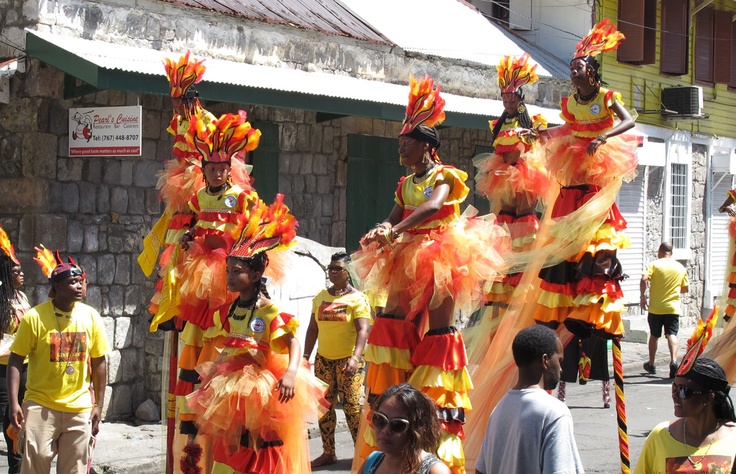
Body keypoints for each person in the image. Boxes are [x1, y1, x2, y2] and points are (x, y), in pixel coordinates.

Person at [352, 75, 506, 472]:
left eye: (407, 144)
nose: (401, 149)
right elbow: (395, 215)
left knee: (439, 333)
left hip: (441, 256)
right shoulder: (405, 184)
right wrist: (380, 231)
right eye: (400, 144)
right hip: (405, 256)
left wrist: (395, 230)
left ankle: (434, 405)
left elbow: (435, 207)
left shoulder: (444, 176)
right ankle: (394, 394)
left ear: (427, 146)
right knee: (391, 322)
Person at [186, 195, 328, 473]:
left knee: (259, 444)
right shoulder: (228, 311)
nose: (228, 277)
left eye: (236, 271)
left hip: (260, 388)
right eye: (227, 270)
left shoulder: (268, 310)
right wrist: (210, 377)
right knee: (232, 444)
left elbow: (293, 342)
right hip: (230, 386)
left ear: (254, 275)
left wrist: (289, 373)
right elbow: (228, 350)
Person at [533, 19, 638, 340]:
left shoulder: (605, 96)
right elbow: (566, 130)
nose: (573, 73)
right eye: (571, 68)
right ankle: (562, 305)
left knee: (598, 234)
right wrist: (542, 133)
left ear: (591, 72)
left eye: (578, 68)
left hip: (599, 164)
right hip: (574, 166)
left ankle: (594, 309)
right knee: (565, 234)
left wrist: (605, 136)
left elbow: (629, 120)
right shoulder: (571, 103)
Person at [7, 253, 109, 474]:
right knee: (36, 463)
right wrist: (15, 403)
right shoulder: (34, 318)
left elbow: (100, 362)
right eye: (72, 282)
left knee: (75, 468)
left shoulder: (91, 317)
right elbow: (15, 359)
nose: (79, 286)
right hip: (40, 404)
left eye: (80, 281)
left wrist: (99, 405)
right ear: (56, 287)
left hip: (79, 407)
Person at [473, 53, 549, 309]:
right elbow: (498, 151)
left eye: (511, 97)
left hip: (524, 171)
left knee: (523, 214)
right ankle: (505, 265)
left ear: (520, 98)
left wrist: (532, 135)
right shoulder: (498, 123)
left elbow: (541, 144)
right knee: (504, 216)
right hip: (502, 172)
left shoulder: (533, 121)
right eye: (504, 98)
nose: (507, 101)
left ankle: (523, 265)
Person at [475, 325, 584, 474]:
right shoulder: (554, 413)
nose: (561, 369)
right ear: (545, 360)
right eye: (559, 360)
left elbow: (480, 470)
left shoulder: (500, 409)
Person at [303, 251, 372, 468]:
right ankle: (328, 452)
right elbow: (312, 328)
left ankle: (359, 455)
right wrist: (306, 356)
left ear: (347, 272)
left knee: (352, 408)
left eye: (337, 269)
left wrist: (355, 358)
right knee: (324, 406)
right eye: (330, 268)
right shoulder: (320, 297)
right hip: (324, 361)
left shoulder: (358, 299)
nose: (332, 272)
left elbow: (363, 330)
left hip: (349, 362)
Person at [634, 357, 736, 473]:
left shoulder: (733, 438)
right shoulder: (660, 436)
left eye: (683, 391)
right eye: (674, 388)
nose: (675, 395)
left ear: (708, 398)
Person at [358, 383, 451, 474]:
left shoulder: (436, 471)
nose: (385, 430)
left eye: (397, 425)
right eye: (380, 419)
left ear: (418, 429)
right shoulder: (371, 462)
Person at [0, 228, 30, 473]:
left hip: (24, 365)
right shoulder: (1, 301)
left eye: (21, 270)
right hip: (2, 367)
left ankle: (18, 462)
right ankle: (14, 462)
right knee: (7, 413)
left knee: (21, 412)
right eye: (16, 271)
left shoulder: (21, 297)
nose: (22, 274)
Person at [640, 242, 689, 379]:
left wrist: (642, 297)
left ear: (659, 251)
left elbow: (644, 279)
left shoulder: (654, 265)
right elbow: (685, 289)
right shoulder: (680, 267)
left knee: (654, 335)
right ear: (671, 253)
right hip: (672, 308)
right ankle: (673, 361)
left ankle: (651, 363)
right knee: (672, 334)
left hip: (656, 308)